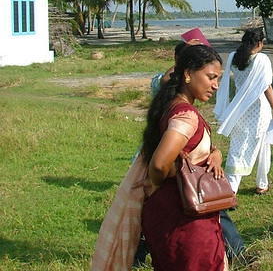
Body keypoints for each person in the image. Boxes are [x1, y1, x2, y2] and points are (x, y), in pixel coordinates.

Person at [91, 45, 227, 270]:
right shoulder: (186, 116)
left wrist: (215, 154)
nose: (215, 85)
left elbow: (187, 151)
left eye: (218, 79)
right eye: (211, 77)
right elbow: (159, 164)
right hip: (184, 220)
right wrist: (174, 177)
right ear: (188, 74)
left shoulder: (172, 107)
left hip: (170, 215)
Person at [215, 29, 273, 195]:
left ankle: (235, 187)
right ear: (260, 43)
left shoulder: (234, 57)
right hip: (258, 109)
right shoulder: (261, 59)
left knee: (238, 146)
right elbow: (267, 87)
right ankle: (259, 184)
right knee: (261, 146)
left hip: (238, 109)